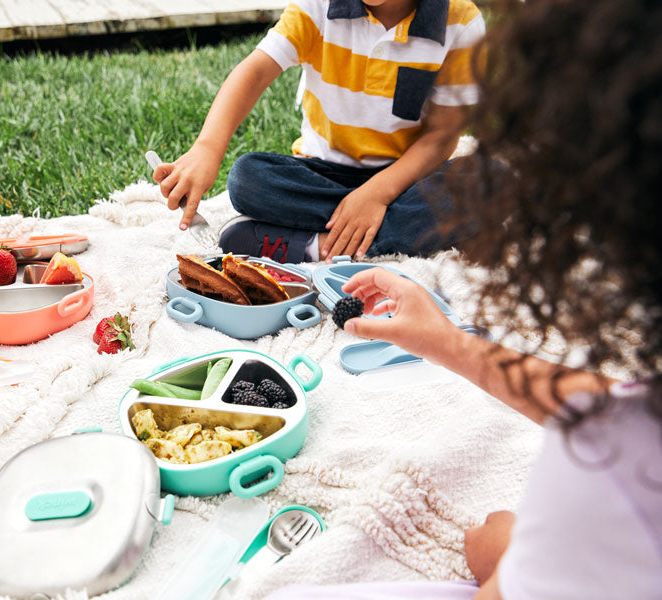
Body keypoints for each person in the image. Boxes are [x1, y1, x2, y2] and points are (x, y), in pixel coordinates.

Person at [264, 0, 662, 598]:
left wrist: (508, 557)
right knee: (255, 177)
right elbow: (616, 414)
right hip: (332, 181)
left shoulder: (600, 486)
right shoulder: (627, 432)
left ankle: (328, 237)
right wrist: (449, 343)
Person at [152, 0, 485, 264]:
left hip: (403, 180)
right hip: (320, 176)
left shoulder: (461, 22)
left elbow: (442, 135)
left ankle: (316, 247)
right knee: (247, 178)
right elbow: (255, 70)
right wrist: (207, 147)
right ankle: (388, 234)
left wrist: (377, 194)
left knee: (489, 179)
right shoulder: (318, 6)